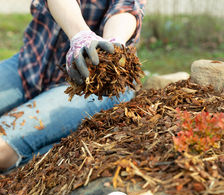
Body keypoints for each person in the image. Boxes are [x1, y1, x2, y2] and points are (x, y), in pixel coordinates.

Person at [0, 0, 145, 171]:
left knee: (2, 150)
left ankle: (57, 152)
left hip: (91, 85)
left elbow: (126, 8)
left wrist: (114, 43)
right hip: (31, 64)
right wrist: (81, 35)